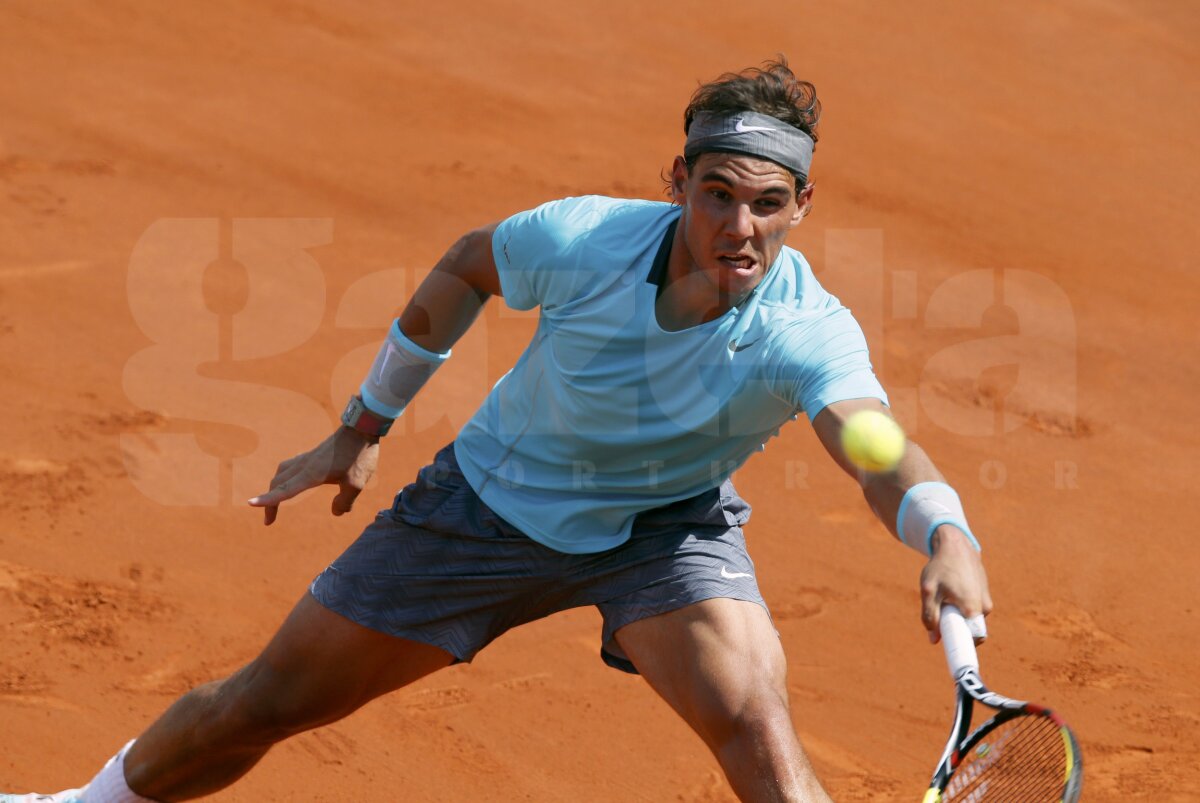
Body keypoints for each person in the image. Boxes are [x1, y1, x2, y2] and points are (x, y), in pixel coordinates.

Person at [4, 59, 991, 803]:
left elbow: (869, 444)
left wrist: (943, 530)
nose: (741, 227)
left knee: (755, 725)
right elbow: (470, 267)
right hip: (480, 508)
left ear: (801, 205)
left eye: (769, 203)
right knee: (265, 702)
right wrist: (362, 424)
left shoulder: (806, 332)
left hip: (663, 532)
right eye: (718, 194)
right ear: (679, 180)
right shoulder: (582, 241)